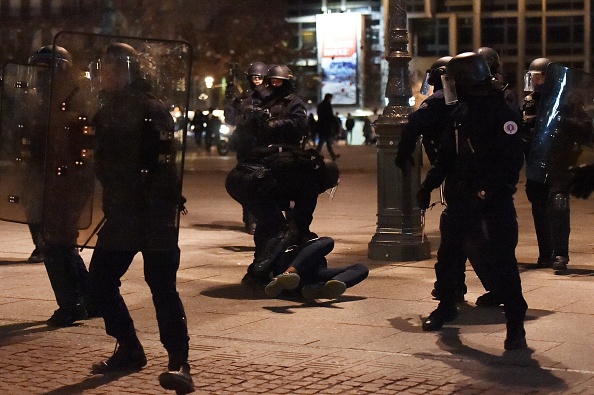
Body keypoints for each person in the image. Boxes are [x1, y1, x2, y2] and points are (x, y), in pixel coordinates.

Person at [86, 42, 194, 394]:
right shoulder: (106, 112)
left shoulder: (151, 109)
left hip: (154, 214)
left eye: (115, 68)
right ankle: (129, 348)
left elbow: (165, 166)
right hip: (123, 214)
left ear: (131, 71)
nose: (108, 74)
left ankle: (180, 361)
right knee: (99, 281)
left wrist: (150, 199)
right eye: (106, 68)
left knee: (162, 287)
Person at [416, 52, 528, 350]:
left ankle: (515, 325)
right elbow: (445, 156)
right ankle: (447, 306)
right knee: (449, 258)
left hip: (494, 203)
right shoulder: (459, 113)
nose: (448, 87)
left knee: (503, 262)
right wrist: (428, 185)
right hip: (461, 199)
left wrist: (487, 192)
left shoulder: (502, 111)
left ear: (466, 81)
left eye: (451, 81)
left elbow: (512, 160)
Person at [25, 45, 95, 326]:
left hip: (68, 179)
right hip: (51, 178)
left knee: (56, 243)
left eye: (47, 72)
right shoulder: (49, 99)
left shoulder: (74, 98)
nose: (42, 79)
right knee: (61, 242)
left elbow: (80, 142)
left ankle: (71, 304)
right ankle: (90, 299)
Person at [226, 144, 339, 286]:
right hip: (254, 183)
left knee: (268, 223)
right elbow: (302, 221)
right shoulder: (312, 179)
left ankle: (257, 267)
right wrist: (305, 244)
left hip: (238, 179)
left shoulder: (301, 165)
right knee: (281, 232)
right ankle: (257, 274)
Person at [522, 58, 554, 269]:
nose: (535, 81)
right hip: (534, 162)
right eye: (532, 77)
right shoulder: (529, 101)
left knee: (557, 210)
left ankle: (559, 254)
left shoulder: (559, 99)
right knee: (539, 210)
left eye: (539, 77)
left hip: (555, 164)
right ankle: (545, 254)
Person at [264, 236, 368, 300]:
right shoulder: (295, 249)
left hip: (310, 279)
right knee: (328, 241)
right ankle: (287, 274)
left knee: (361, 268)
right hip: (289, 265)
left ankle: (324, 287)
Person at [233, 61, 269, 234]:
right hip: (247, 145)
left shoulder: (271, 97)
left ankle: (263, 218)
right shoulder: (245, 98)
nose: (256, 80)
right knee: (247, 183)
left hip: (264, 145)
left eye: (260, 77)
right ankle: (250, 219)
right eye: (254, 77)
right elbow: (235, 120)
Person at [316, 93, 340, 160]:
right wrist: (335, 122)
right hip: (326, 126)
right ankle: (315, 155)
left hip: (321, 126)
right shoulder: (327, 105)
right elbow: (330, 115)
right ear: (329, 98)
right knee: (323, 142)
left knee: (325, 142)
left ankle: (333, 155)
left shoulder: (320, 105)